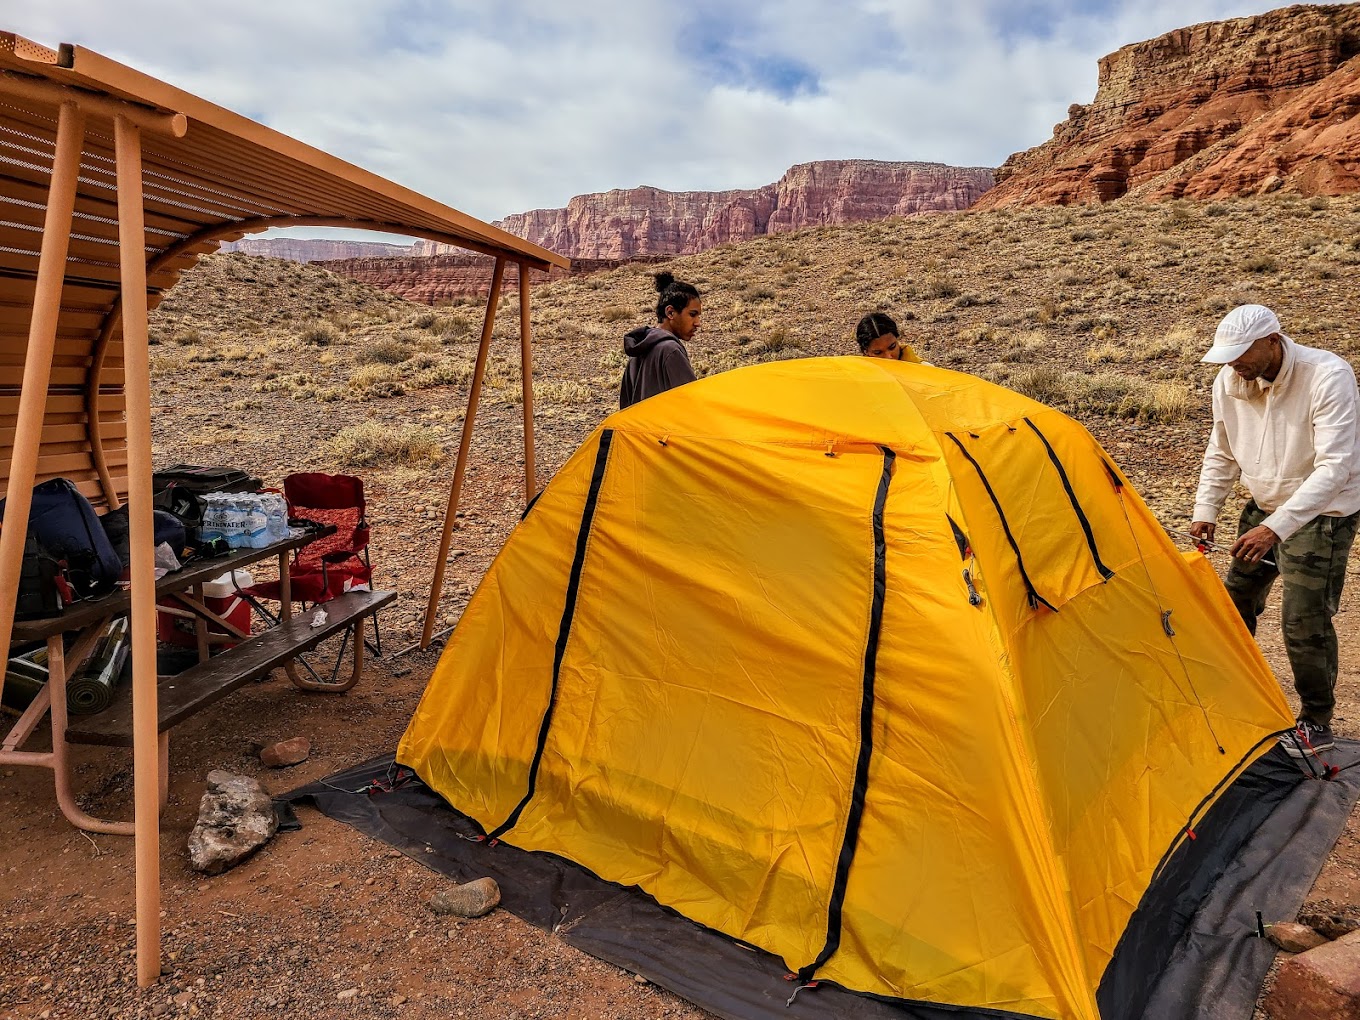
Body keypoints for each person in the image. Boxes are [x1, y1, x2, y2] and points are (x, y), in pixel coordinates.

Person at [1189, 304, 1360, 757]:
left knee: (1302, 621)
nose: (1232, 364)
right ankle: (1231, 693)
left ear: (1272, 341)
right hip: (1266, 505)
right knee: (1234, 602)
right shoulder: (1229, 379)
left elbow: (1335, 468)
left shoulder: (1327, 376)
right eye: (1226, 356)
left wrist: (1276, 528)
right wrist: (1207, 508)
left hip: (1322, 514)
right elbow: (1221, 450)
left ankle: (1316, 722)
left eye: (1240, 353)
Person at [619, 272, 700, 409]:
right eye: (692, 315)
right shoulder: (670, 350)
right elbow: (691, 407)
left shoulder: (638, 349)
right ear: (670, 313)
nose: (697, 323)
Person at [854, 312, 923, 363]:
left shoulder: (924, 370)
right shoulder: (858, 377)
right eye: (878, 353)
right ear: (866, 352)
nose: (889, 357)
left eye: (892, 347)